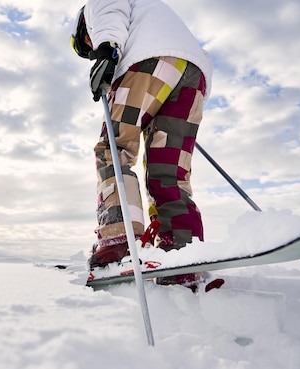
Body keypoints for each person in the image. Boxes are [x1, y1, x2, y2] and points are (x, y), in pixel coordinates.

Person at [70, 0, 213, 284]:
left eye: (87, 43)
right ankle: (182, 249)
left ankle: (119, 237)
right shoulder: (154, 12)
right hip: (192, 77)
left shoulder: (97, 9)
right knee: (169, 171)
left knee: (113, 149)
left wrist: (106, 50)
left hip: (146, 65)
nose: (90, 44)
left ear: (84, 25)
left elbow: (110, 7)